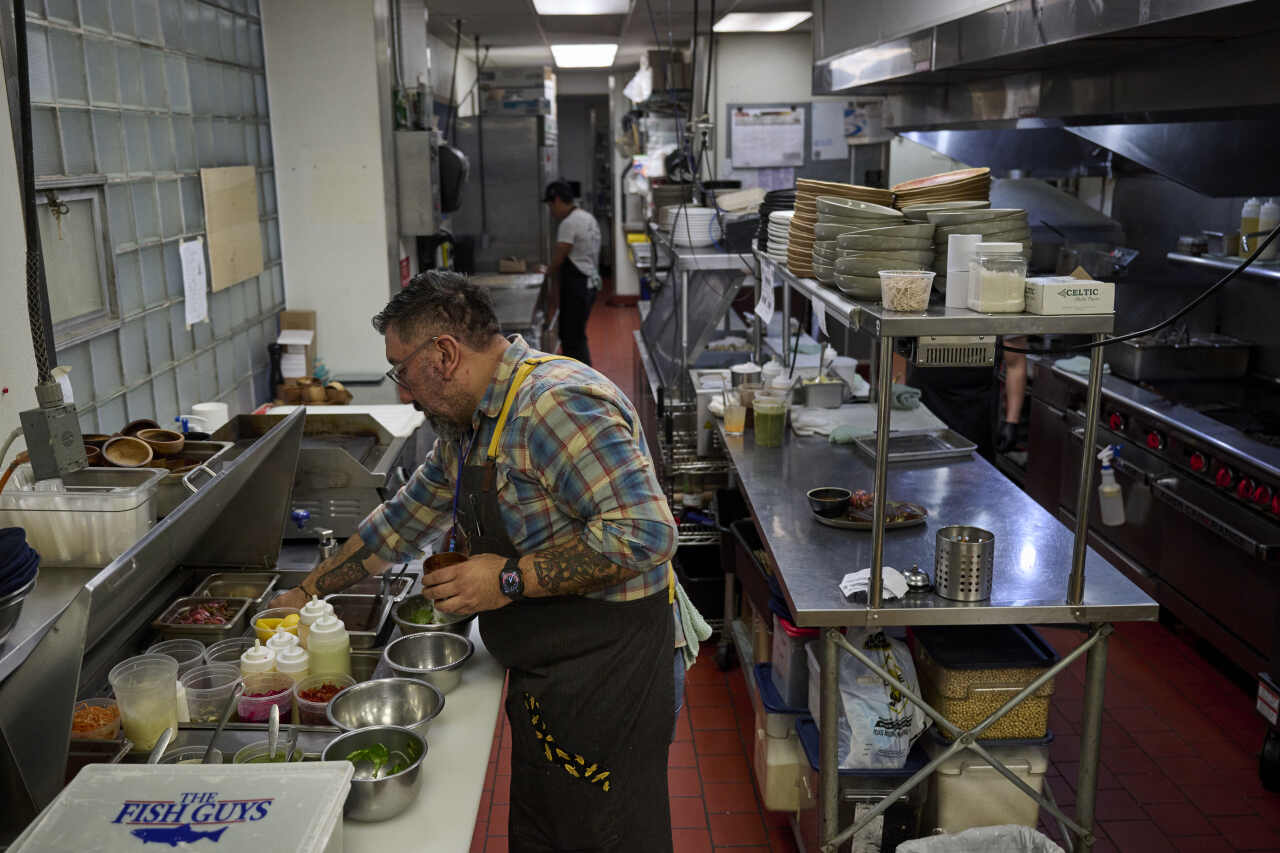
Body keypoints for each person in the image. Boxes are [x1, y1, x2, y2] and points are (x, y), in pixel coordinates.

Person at [272, 271, 677, 852]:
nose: (404, 390)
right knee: (550, 831)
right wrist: (306, 592)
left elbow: (647, 535)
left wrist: (507, 579)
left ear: (443, 354)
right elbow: (402, 521)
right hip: (550, 671)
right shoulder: (471, 426)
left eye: (402, 370)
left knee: (606, 835)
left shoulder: (553, 405)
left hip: (607, 672)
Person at [544, 180, 602, 366]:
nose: (551, 211)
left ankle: (583, 380)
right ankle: (582, 377)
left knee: (572, 337)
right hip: (589, 283)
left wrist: (547, 271)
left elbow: (561, 254)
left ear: (559, 200)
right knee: (575, 334)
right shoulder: (587, 217)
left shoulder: (568, 223)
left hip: (578, 286)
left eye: (551, 205)